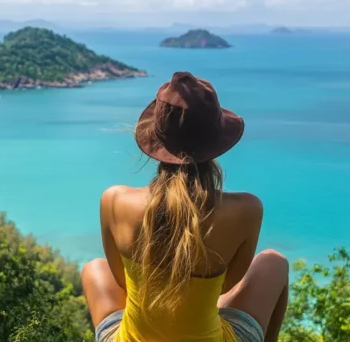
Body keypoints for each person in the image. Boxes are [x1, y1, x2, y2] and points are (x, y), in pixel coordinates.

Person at [82, 72, 289, 342]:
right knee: (274, 262)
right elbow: (227, 286)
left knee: (94, 268)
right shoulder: (246, 209)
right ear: (216, 143)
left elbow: (121, 281)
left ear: (155, 140)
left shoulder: (114, 200)